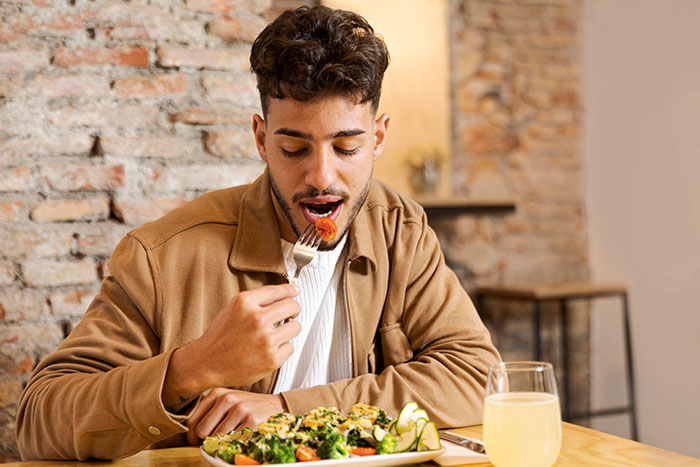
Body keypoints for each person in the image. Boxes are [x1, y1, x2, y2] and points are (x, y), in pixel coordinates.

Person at [15, 5, 500, 461]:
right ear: (261, 139)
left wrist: (291, 409)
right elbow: (40, 421)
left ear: (378, 138)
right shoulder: (161, 255)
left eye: (346, 147)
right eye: (294, 148)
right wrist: (191, 368)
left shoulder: (400, 229)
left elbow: (477, 376)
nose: (321, 177)